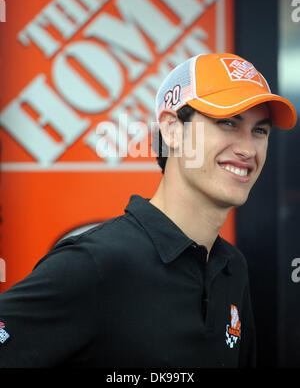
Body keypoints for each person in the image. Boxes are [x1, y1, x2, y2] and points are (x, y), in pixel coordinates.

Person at [0, 53, 297, 368]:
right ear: (171, 130)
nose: (248, 149)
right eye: (227, 122)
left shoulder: (232, 267)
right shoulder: (97, 263)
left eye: (260, 131)